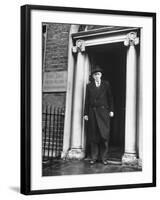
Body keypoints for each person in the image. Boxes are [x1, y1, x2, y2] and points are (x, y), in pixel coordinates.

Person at [84, 66, 114, 165]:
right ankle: (94, 157)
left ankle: (104, 158)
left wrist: (111, 110)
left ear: (101, 75)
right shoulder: (89, 86)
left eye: (98, 74)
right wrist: (86, 113)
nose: (97, 76)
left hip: (104, 113)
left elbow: (110, 98)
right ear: (93, 76)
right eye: (95, 75)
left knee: (104, 136)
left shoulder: (106, 84)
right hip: (92, 113)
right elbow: (87, 101)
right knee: (93, 137)